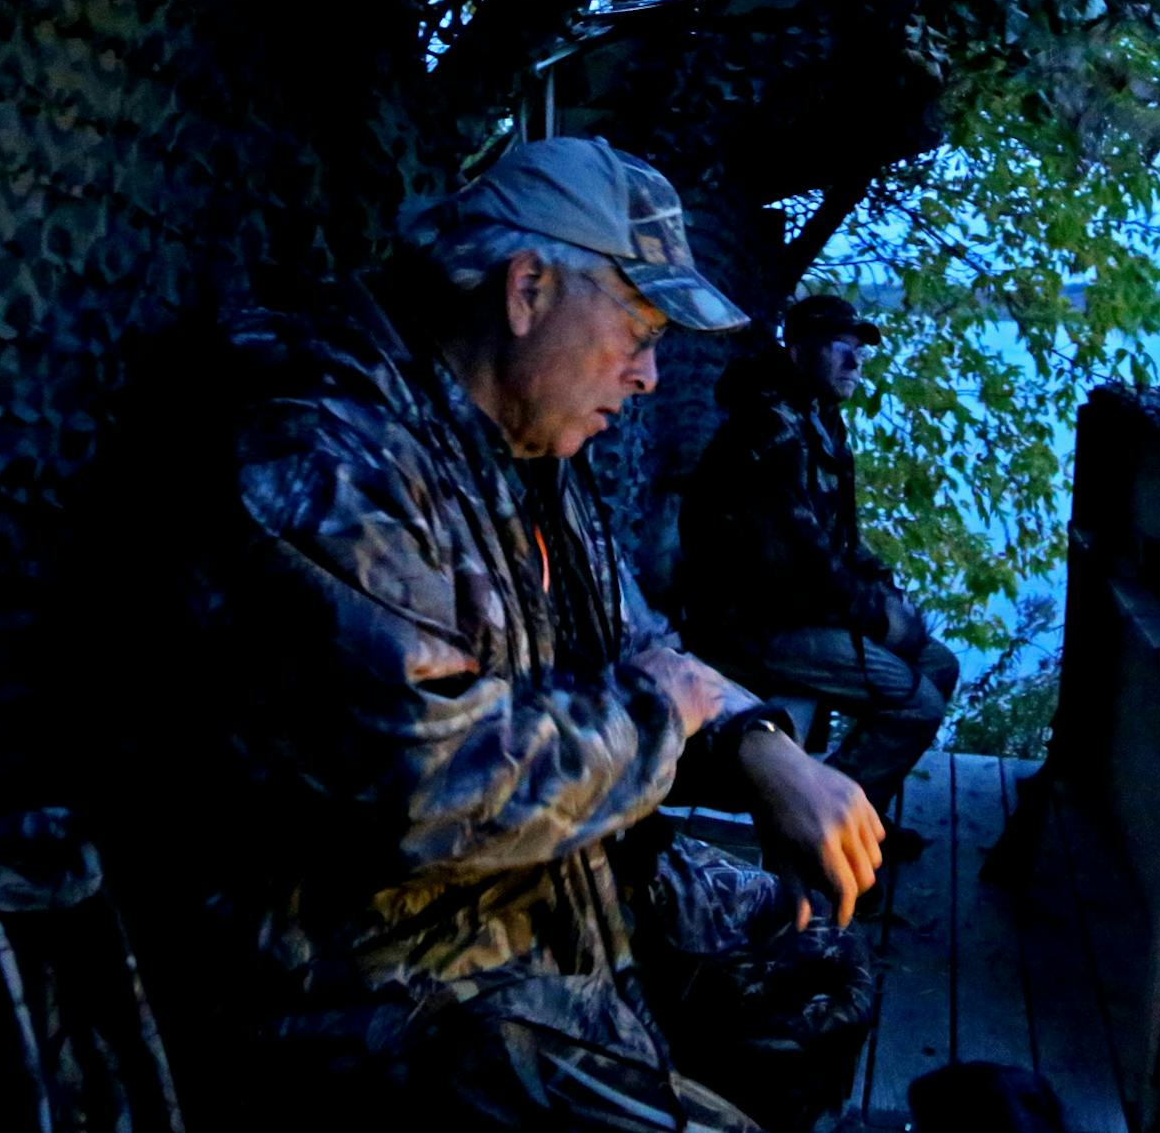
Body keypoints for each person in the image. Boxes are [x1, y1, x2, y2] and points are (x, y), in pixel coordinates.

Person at [111, 138, 883, 1132]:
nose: (650, 375)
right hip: (382, 998)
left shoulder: (524, 450)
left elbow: (642, 641)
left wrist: (758, 743)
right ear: (528, 289)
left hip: (538, 895)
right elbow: (433, 781)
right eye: (640, 331)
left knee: (816, 960)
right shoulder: (322, 448)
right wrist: (672, 708)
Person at [681, 294, 961, 821]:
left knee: (939, 665)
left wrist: (881, 584)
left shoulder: (820, 418)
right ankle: (824, 826)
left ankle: (863, 815)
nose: (855, 363)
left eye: (859, 350)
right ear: (797, 353)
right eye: (839, 347)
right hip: (746, 623)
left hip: (795, 611)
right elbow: (802, 564)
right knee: (917, 704)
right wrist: (879, 619)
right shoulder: (767, 432)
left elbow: (838, 537)